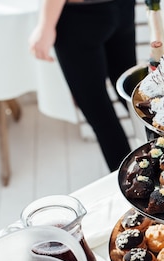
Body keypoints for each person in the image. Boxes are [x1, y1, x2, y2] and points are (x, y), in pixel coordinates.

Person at [29, 0, 136, 172]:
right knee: (132, 95)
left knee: (100, 111)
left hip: (80, 15)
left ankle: (134, 185)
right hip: (122, 7)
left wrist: (45, 25)